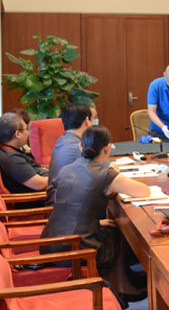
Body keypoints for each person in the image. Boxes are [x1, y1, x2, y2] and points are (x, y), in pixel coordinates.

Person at [41, 125, 150, 302]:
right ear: (107, 148)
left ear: (80, 147)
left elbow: (70, 208)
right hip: (74, 250)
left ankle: (122, 285)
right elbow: (144, 192)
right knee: (115, 232)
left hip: (50, 241)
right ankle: (122, 286)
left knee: (111, 227)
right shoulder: (106, 174)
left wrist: (96, 223)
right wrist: (114, 170)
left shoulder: (66, 169)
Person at [48, 103, 97, 186]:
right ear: (87, 121)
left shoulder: (62, 140)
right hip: (68, 197)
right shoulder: (77, 148)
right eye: (93, 119)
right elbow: (95, 177)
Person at [0, 112, 48, 193]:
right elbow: (40, 184)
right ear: (17, 134)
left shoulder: (8, 150)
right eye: (26, 129)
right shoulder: (13, 160)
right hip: (37, 200)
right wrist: (62, 177)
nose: (28, 133)